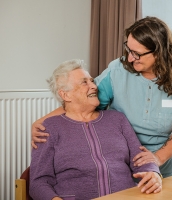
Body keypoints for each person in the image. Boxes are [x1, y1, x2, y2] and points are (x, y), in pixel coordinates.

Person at [31, 16, 172, 178]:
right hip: (123, 161)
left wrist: (157, 158)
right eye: (129, 50)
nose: (130, 58)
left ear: (159, 52)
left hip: (166, 164)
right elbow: (83, 100)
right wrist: (42, 122)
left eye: (137, 53)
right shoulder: (118, 70)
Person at [29, 59, 162, 200]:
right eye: (84, 82)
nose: (94, 86)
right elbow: (38, 183)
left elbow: (141, 159)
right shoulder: (49, 128)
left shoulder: (117, 119)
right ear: (65, 95)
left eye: (92, 81)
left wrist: (153, 173)